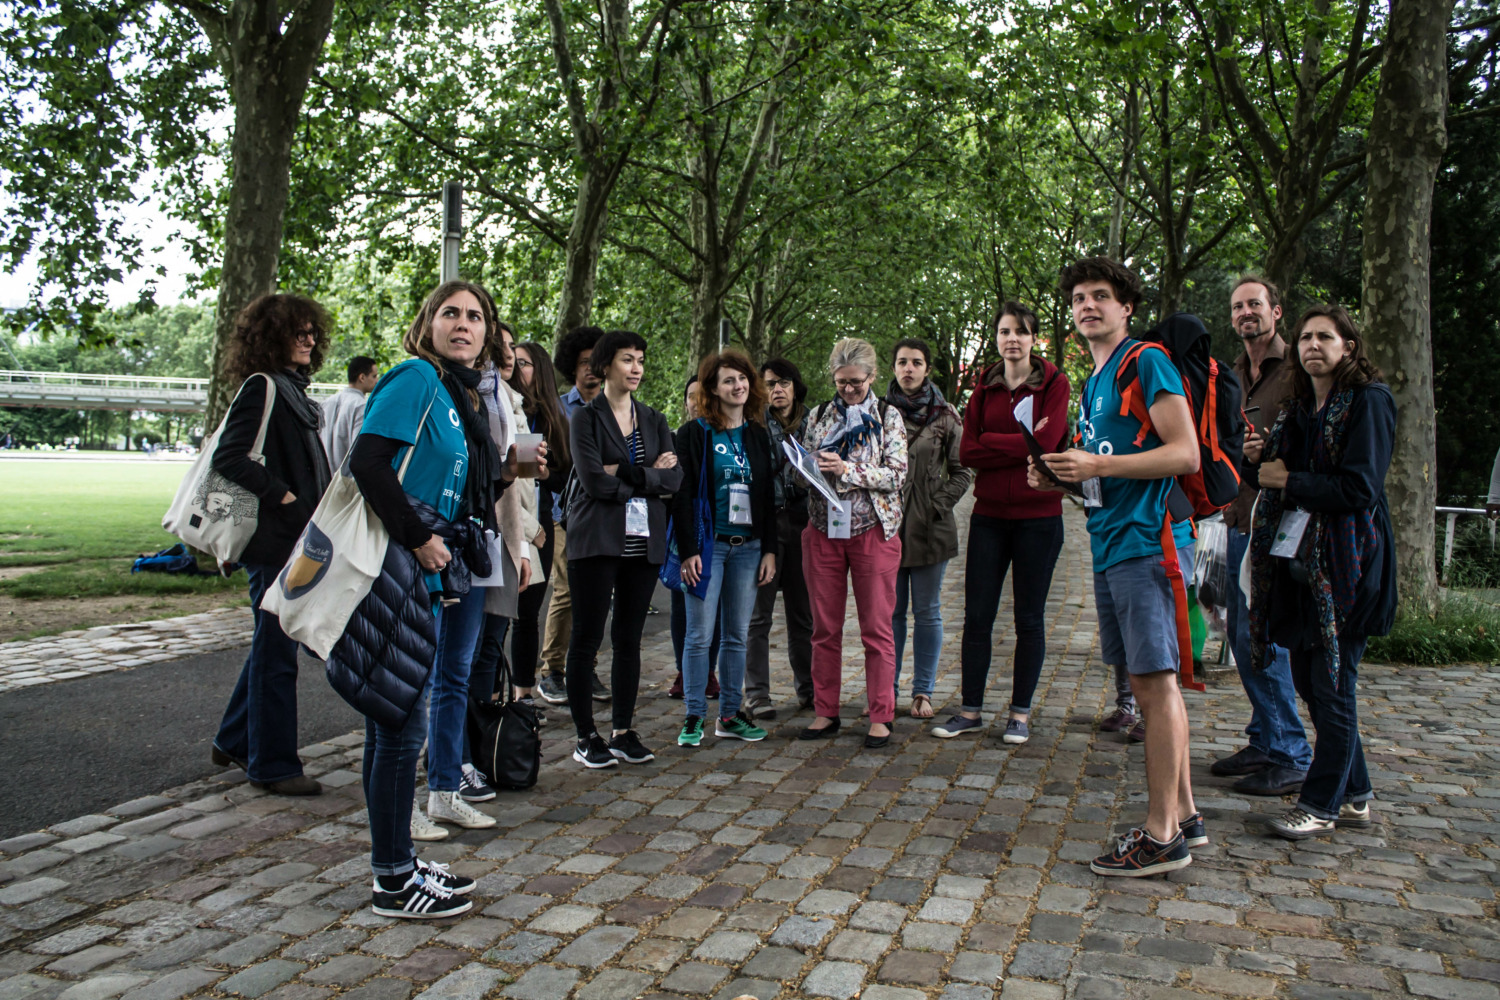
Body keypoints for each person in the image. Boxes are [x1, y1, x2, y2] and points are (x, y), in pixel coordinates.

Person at [346, 279, 516, 917]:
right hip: (399, 568)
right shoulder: (416, 378)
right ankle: (393, 880)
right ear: (428, 324)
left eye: (475, 316)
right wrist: (418, 538)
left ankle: (398, 863)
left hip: (429, 572)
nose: (463, 324)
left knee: (397, 720)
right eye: (451, 313)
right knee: (398, 724)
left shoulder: (455, 392)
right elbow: (367, 463)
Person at [1030, 257, 1201, 877]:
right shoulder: (1095, 380)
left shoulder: (1146, 360)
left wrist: (1097, 466)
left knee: (1155, 686)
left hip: (1148, 544)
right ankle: (1185, 814)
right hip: (1111, 542)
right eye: (1078, 298)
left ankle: (1162, 837)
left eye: (1100, 295)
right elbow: (1105, 473)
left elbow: (1185, 453)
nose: (1087, 306)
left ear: (1126, 307)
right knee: (1151, 683)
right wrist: (1063, 478)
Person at [1250, 305, 1396, 840]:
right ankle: (1354, 794)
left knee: (1332, 687)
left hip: (1349, 565)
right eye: (1306, 337)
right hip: (1301, 565)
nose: (1313, 345)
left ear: (1347, 347)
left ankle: (1320, 803)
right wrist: (1260, 460)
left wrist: (1289, 480)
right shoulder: (1301, 408)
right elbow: (1274, 474)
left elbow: (1360, 488)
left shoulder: (1369, 401)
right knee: (1313, 687)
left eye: (1325, 337)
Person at [209, 293, 333, 796]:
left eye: (312, 332)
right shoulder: (263, 387)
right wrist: (284, 495)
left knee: (274, 645)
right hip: (272, 543)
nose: (308, 340)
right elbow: (229, 458)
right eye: (297, 332)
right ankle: (272, 766)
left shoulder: (293, 391)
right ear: (271, 337)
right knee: (277, 654)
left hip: (295, 540)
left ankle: (234, 738)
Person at [934, 302, 1069, 745]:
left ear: (1034, 339)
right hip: (989, 517)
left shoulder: (1054, 383)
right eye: (1005, 331)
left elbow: (1047, 443)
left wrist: (994, 441)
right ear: (996, 338)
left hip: (1039, 518)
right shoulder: (984, 387)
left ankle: (1019, 715)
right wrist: (1021, 443)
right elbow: (967, 451)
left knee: (1029, 619)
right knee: (977, 617)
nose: (1013, 339)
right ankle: (970, 711)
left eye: (1021, 331)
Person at [1212, 275, 1312, 796]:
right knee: (1240, 635)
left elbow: (1319, 439)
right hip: (1237, 518)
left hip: (1281, 524)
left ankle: (1291, 753)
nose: (1245, 313)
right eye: (1238, 307)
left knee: (1264, 637)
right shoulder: (1231, 375)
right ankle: (1265, 739)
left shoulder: (1299, 368)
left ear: (1276, 311)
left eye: (1255, 304)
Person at [565, 330, 682, 768]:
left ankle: (622, 731)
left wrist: (628, 472)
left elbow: (674, 480)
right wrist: (649, 473)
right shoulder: (586, 418)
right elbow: (593, 481)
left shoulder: (654, 419)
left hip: (643, 541)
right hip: (596, 540)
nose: (636, 368)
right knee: (586, 639)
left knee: (628, 640)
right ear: (606, 365)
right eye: (627, 359)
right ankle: (585, 736)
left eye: (641, 360)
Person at [455, 318, 547, 814]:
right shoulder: (478, 400)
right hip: (479, 539)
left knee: (488, 651)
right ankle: (457, 755)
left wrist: (524, 546)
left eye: (513, 347)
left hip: (506, 544)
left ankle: (475, 746)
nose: (510, 354)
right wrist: (528, 537)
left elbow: (521, 482)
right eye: (502, 347)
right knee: (466, 656)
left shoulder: (512, 403)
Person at [798, 337, 908, 749]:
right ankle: (825, 711)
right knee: (824, 628)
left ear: (872, 376)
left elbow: (897, 474)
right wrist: (809, 468)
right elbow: (802, 471)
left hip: (873, 531)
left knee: (876, 629)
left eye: (856, 383)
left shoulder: (889, 416)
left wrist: (847, 469)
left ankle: (881, 715)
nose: (848, 389)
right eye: (841, 382)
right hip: (822, 530)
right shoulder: (818, 416)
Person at [672, 349, 778, 747]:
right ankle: (694, 716)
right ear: (713, 389)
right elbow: (682, 495)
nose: (738, 385)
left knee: (737, 636)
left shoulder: (757, 435)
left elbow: (766, 497)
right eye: (729, 380)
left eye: (743, 378)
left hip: (749, 548)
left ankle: (730, 715)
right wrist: (688, 551)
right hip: (708, 548)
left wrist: (769, 550)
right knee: (699, 636)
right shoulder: (694, 434)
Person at [885, 338, 970, 720]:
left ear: (927, 369)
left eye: (916, 362)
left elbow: (963, 470)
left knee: (927, 611)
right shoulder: (877, 412)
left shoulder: (945, 415)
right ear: (893, 368)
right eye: (902, 362)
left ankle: (923, 691)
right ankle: (886, 690)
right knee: (890, 614)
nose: (908, 368)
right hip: (886, 527)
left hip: (930, 528)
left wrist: (936, 504)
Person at [538, 326, 606, 707]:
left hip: (605, 515)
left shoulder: (618, 410)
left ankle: (586, 667)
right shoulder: (558, 409)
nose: (590, 370)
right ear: (572, 367)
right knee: (566, 589)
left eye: (596, 362)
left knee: (597, 594)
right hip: (563, 512)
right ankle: (552, 670)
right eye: (583, 363)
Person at [745, 358, 815, 718]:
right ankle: (757, 694)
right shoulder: (753, 424)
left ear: (795, 386)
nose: (777, 390)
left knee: (803, 615)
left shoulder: (814, 423)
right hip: (766, 525)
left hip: (805, 524)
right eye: (770, 384)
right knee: (759, 616)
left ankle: (810, 688)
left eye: (783, 383)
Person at [507, 341, 572, 720]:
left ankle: (523, 697)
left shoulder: (548, 419)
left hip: (540, 524)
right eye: (511, 360)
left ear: (541, 370)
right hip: (507, 522)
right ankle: (484, 698)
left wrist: (546, 476)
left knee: (527, 615)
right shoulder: (498, 408)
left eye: (524, 363)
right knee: (493, 618)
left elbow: (559, 478)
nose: (516, 367)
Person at [669, 373, 720, 702]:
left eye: (703, 395)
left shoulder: (726, 437)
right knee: (682, 601)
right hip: (684, 530)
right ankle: (684, 670)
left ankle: (709, 671)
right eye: (691, 396)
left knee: (715, 604)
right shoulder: (676, 437)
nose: (697, 402)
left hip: (719, 530)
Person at [320, 356, 379, 473]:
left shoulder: (327, 402)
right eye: (374, 376)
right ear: (362, 377)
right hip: (345, 478)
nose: (377, 380)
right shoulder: (361, 406)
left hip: (323, 474)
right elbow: (359, 450)